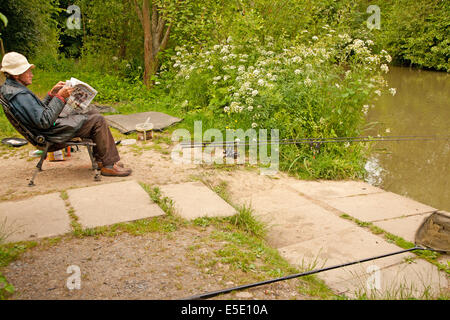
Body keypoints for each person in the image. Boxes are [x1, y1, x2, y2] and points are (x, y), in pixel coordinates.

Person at [0, 52, 132, 176]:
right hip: (50, 134)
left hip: (47, 129)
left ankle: (101, 160)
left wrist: (51, 95)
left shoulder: (13, 90)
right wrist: (60, 97)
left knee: (90, 111)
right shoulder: (20, 95)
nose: (31, 74)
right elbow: (44, 121)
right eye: (27, 71)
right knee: (97, 120)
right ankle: (108, 165)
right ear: (16, 75)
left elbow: (38, 112)